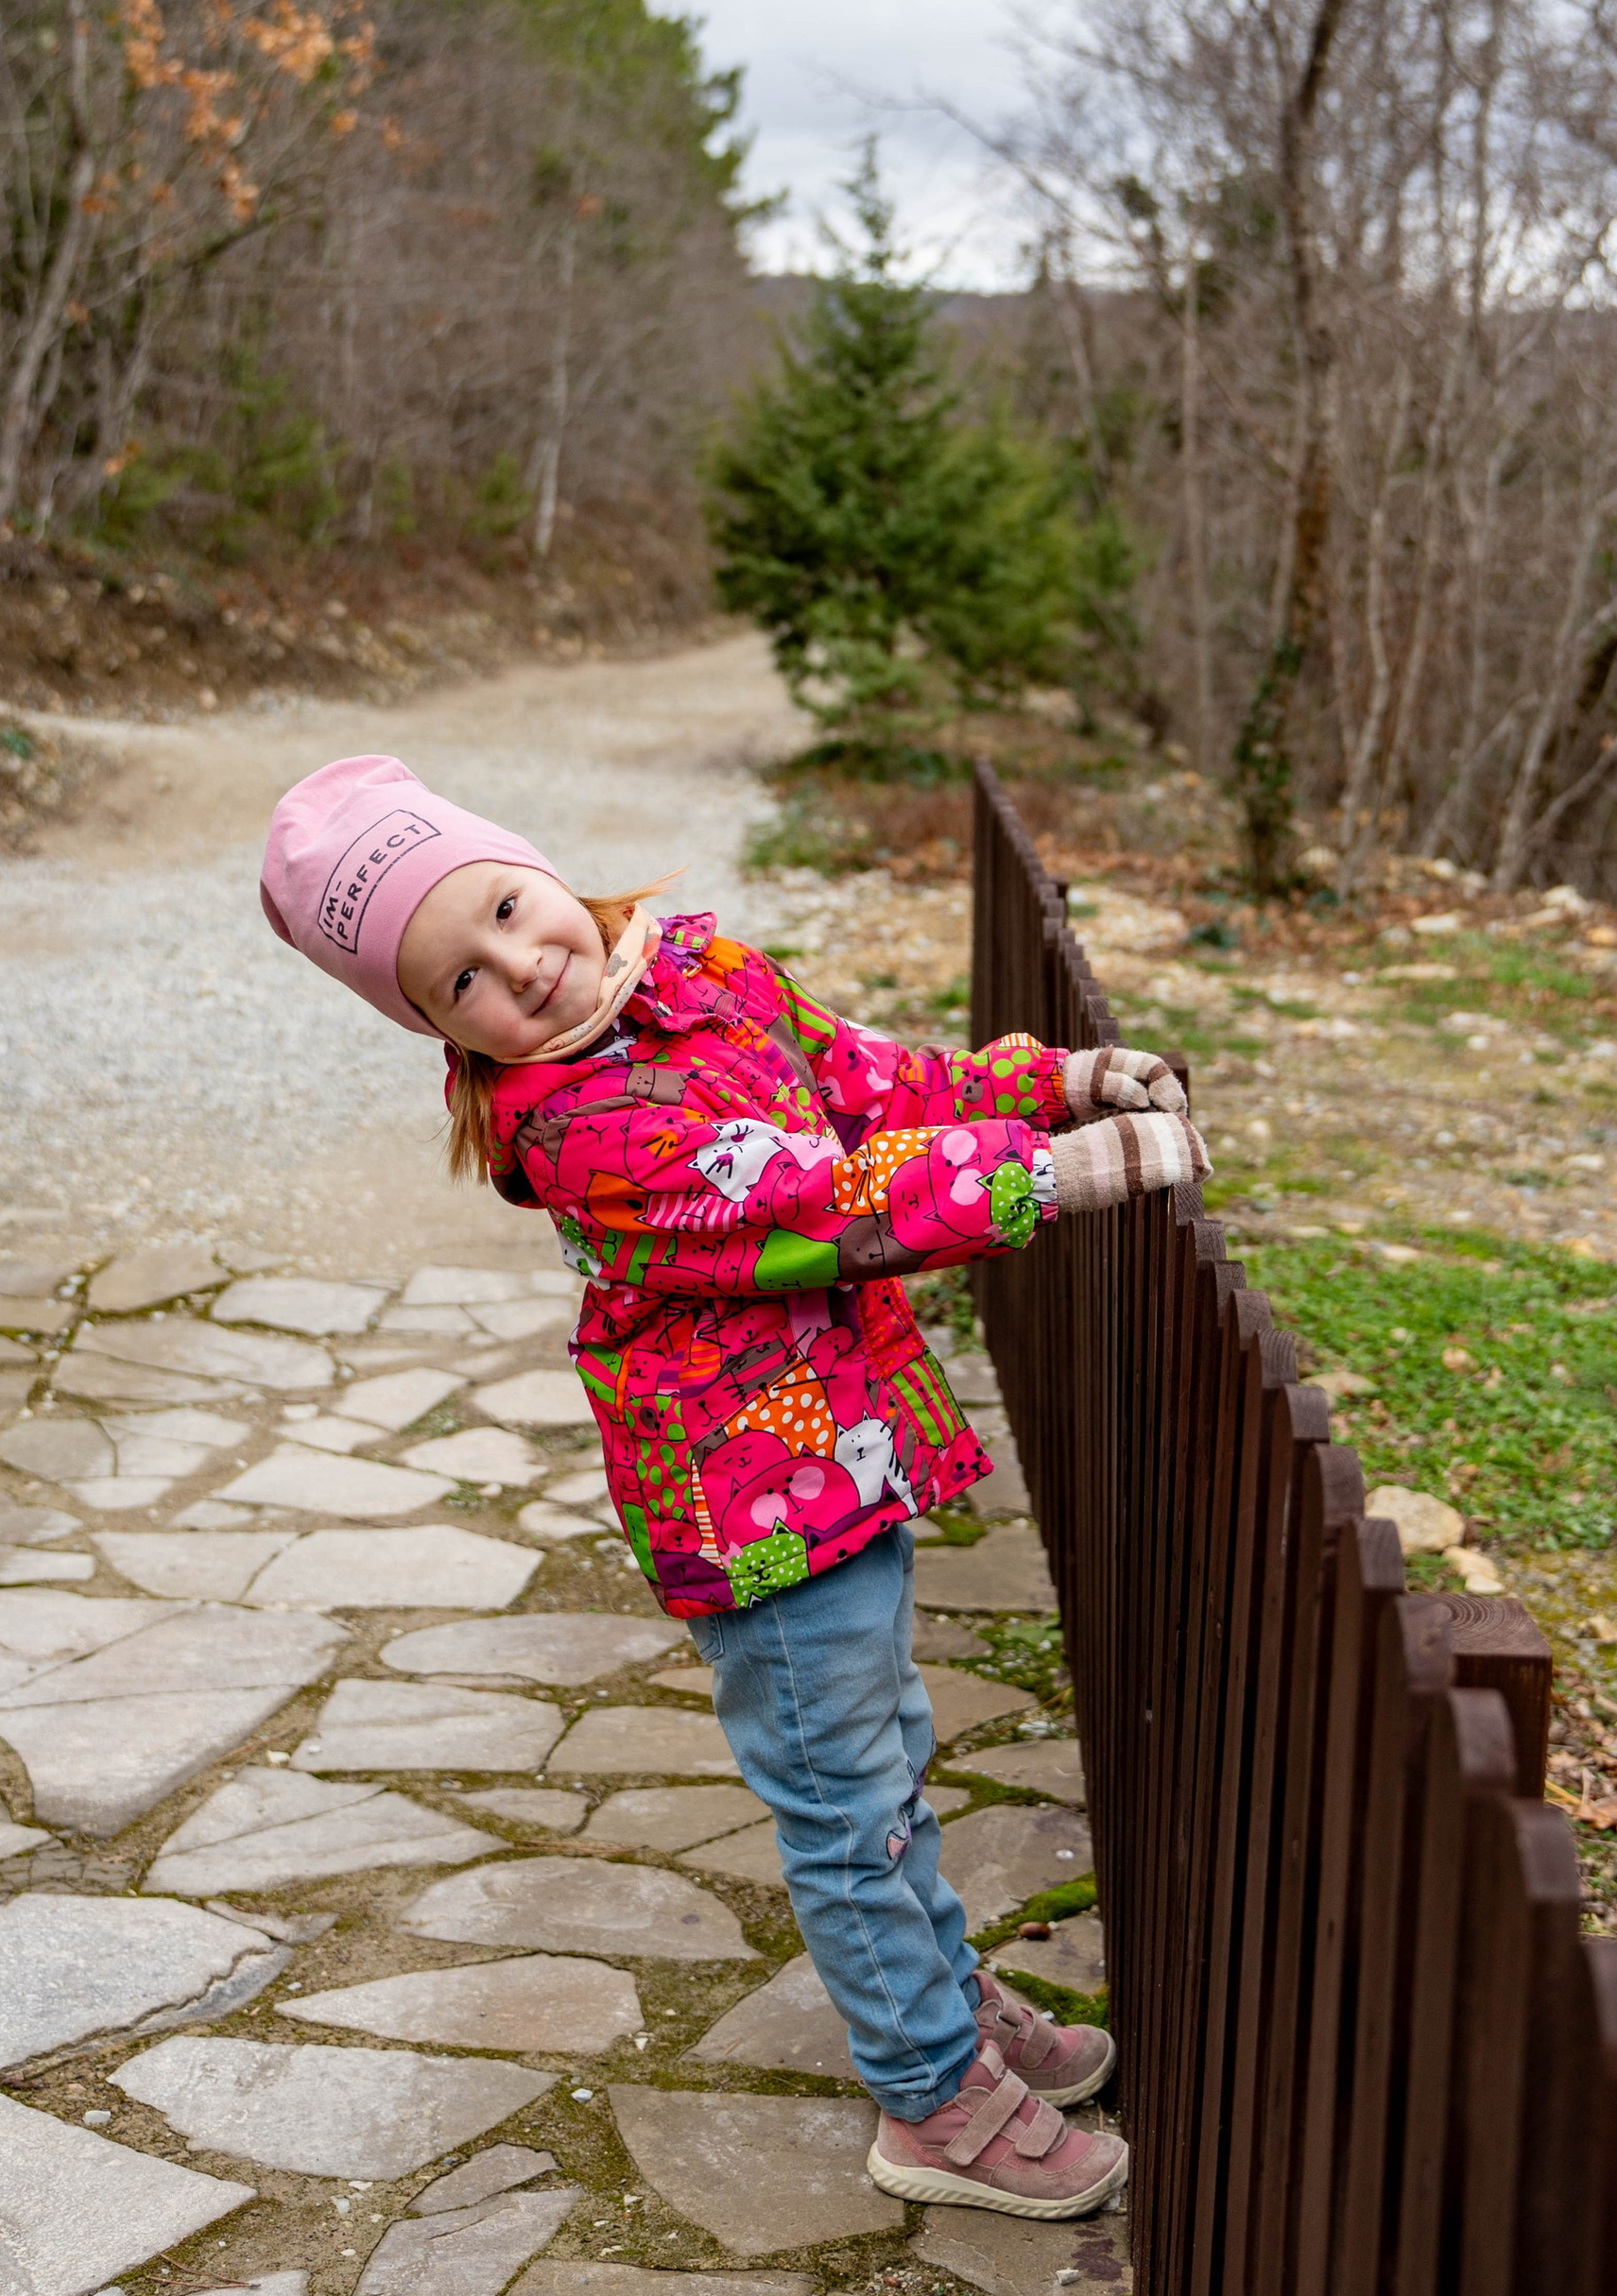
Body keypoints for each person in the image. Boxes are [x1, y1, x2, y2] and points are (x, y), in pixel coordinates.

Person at [261, 752, 1208, 2219]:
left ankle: (945, 2006)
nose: (521, 962)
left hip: (839, 1458)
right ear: (435, 1025)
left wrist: (1050, 1080)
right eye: (461, 981)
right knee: (843, 1809)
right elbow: (819, 1199)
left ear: (542, 868)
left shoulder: (698, 978)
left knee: (885, 1764)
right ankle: (930, 2101)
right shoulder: (585, 1132)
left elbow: (864, 1085)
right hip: (757, 1512)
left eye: (511, 906)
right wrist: (1054, 1175)